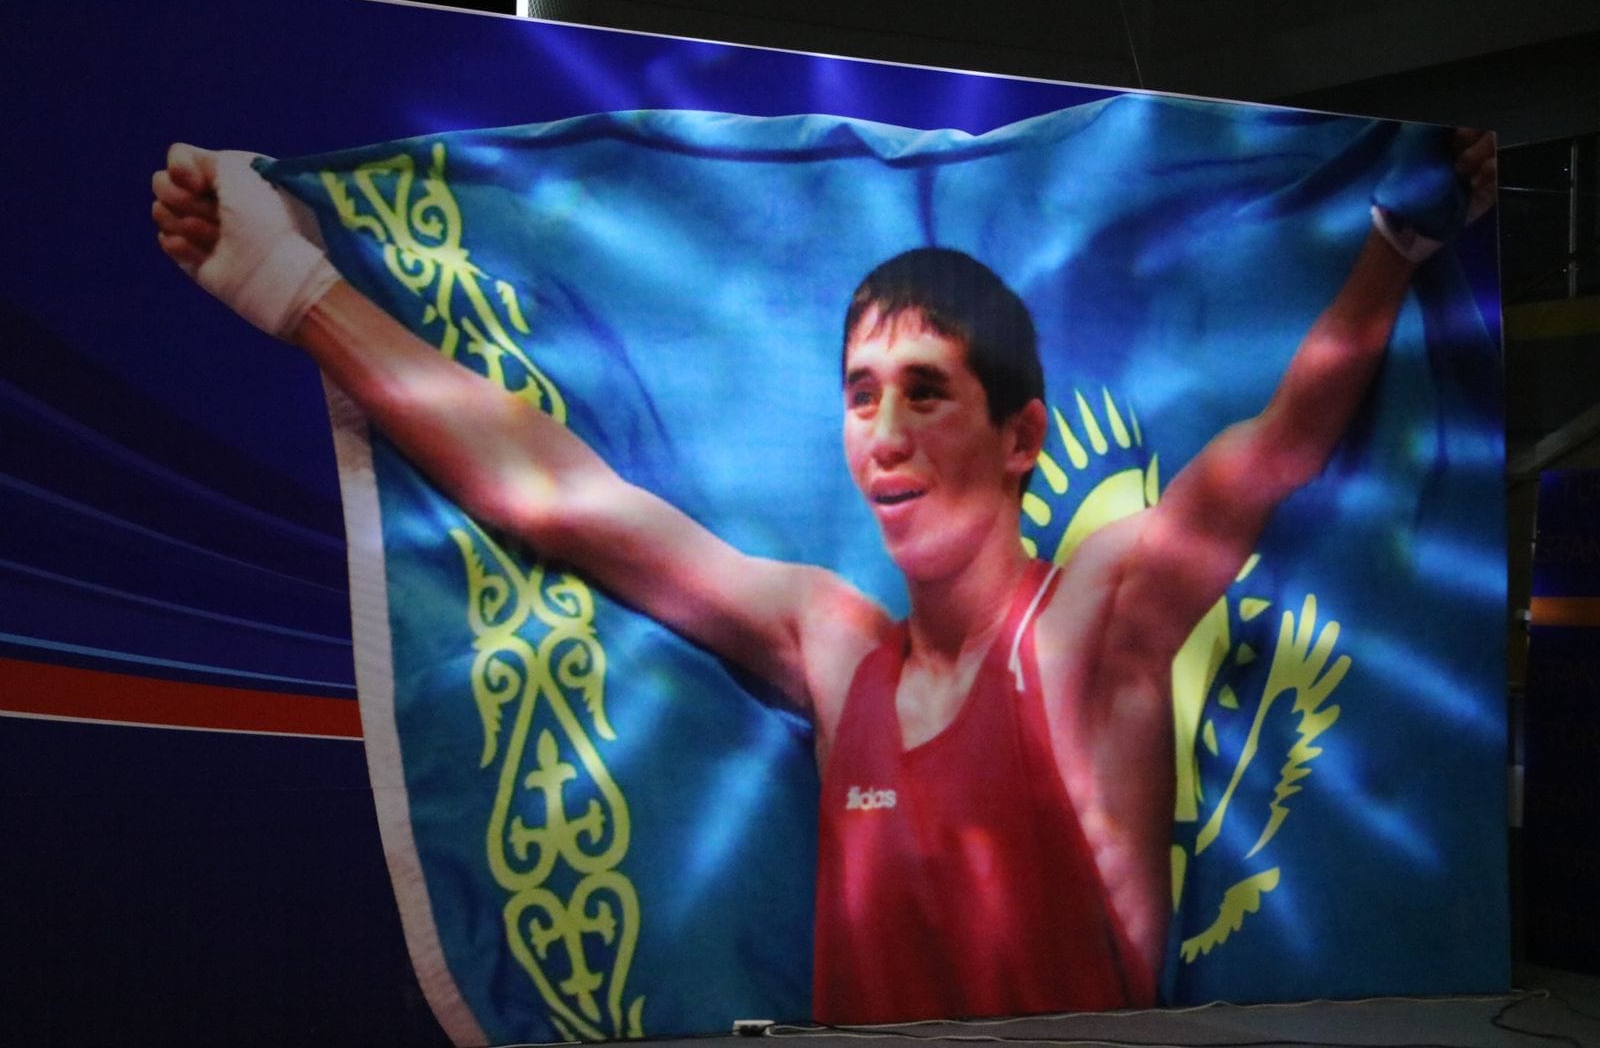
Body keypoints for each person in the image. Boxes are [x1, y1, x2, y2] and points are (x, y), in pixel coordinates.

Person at [151, 127, 1495, 1024]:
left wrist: (1392, 243)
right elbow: (559, 497)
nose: (884, 434)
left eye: (925, 391)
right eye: (860, 395)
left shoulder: (1096, 616)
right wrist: (292, 287)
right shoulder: (834, 647)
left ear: (1023, 436)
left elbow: (1281, 446)